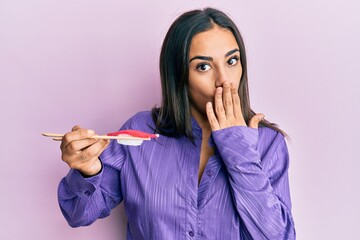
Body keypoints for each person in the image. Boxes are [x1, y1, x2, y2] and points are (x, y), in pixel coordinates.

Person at [58, 8, 296, 239]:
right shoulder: (140, 134)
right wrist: (87, 170)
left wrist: (240, 152)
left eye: (232, 61)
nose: (224, 80)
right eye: (203, 66)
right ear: (179, 74)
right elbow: (78, 213)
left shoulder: (268, 144)